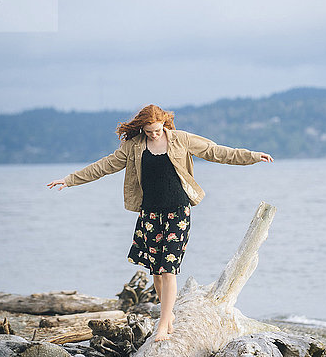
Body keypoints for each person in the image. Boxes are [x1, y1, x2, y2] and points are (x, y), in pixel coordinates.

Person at [47, 104, 273, 341]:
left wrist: (252, 156)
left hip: (178, 213)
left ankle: (164, 323)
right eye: (149, 131)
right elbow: (103, 167)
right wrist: (69, 180)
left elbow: (217, 152)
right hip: (150, 215)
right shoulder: (133, 147)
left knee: (168, 270)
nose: (154, 134)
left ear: (164, 123)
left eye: (157, 130)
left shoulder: (181, 139)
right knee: (156, 272)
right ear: (142, 127)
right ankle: (168, 316)